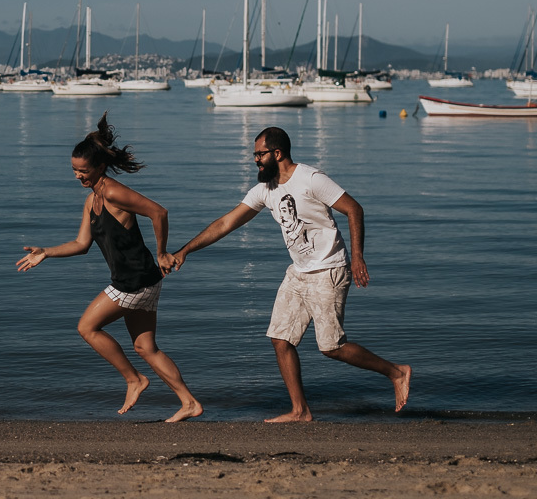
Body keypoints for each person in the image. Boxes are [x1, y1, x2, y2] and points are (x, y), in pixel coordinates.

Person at [163, 126, 410, 422]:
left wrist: (357, 257)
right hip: (298, 272)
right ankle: (300, 411)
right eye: (255, 154)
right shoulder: (265, 190)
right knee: (280, 339)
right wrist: (185, 250)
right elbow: (226, 223)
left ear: (277, 153)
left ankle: (396, 372)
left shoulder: (311, 179)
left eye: (260, 154)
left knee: (331, 346)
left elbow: (354, 209)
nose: (255, 160)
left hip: (328, 269)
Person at [17, 113, 203, 423]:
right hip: (144, 279)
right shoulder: (92, 201)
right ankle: (189, 403)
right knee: (146, 347)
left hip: (134, 281)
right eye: (74, 170)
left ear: (100, 167)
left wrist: (161, 252)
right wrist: (46, 252)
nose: (78, 176)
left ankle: (134, 380)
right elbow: (81, 244)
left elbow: (159, 212)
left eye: (84, 171)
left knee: (87, 328)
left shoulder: (114, 192)